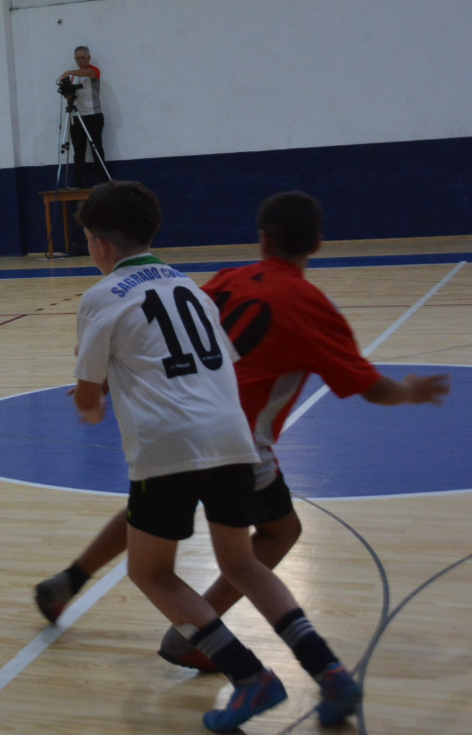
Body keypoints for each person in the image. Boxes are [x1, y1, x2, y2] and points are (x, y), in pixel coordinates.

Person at [35, 191, 451, 682]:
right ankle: (207, 637)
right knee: (273, 535)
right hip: (237, 434)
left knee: (155, 513)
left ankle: (80, 581)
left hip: (182, 428)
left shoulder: (225, 281)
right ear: (317, 244)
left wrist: (102, 382)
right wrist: (408, 393)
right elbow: (367, 386)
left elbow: (151, 335)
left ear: (261, 240)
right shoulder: (302, 302)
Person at [54, 181, 362, 732]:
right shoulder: (191, 287)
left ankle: (250, 678)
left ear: (100, 244)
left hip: (168, 446)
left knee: (150, 572)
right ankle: (332, 673)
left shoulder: (101, 297)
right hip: (232, 437)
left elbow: (88, 398)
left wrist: (90, 400)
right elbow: (217, 361)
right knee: (241, 563)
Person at [58, 45, 109, 188]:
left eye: (83, 58)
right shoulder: (72, 78)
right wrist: (68, 94)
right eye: (77, 58)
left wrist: (68, 71)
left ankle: (104, 183)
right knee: (78, 151)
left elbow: (90, 74)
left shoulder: (93, 71)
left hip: (93, 115)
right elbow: (71, 97)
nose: (80, 61)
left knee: (96, 148)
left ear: (89, 58)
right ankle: (78, 184)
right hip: (77, 116)